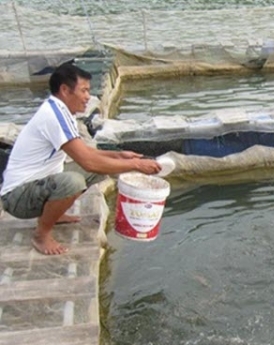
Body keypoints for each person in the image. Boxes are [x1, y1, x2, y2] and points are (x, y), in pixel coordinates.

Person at [0, 62, 162, 255]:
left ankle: (54, 214)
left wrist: (118, 155)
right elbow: (88, 161)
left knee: (98, 172)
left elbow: (84, 152)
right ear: (65, 90)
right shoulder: (53, 116)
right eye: (84, 91)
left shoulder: (60, 111)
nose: (88, 97)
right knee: (73, 182)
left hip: (35, 184)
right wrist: (135, 164)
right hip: (17, 196)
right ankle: (41, 235)